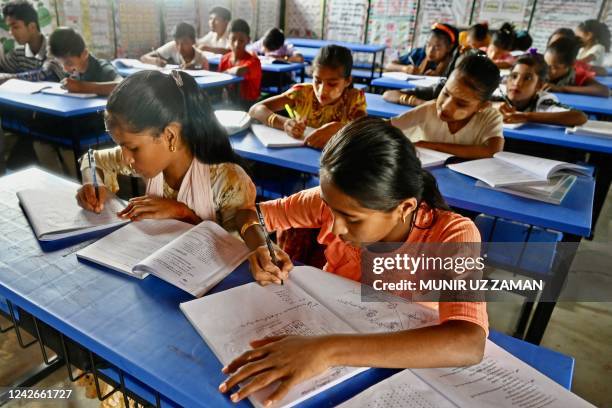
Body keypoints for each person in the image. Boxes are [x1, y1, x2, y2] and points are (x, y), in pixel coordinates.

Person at [222, 117, 487, 406]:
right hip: (328, 327)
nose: (335, 227)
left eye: (352, 219)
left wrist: (328, 350)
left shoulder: (452, 234)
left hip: (401, 362)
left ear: (405, 208)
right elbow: (251, 215)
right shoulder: (336, 201)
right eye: (331, 209)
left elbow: (468, 342)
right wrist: (260, 245)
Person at [248, 45, 366, 149]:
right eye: (317, 81)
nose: (322, 90)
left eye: (332, 84)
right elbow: (255, 109)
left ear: (347, 81)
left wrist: (341, 129)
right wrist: (284, 123)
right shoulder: (303, 93)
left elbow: (366, 130)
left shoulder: (353, 98)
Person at [391, 54, 503, 159]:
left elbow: (493, 151)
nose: (445, 106)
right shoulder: (428, 110)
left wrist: (431, 146)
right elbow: (385, 127)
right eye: (445, 93)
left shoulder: (489, 118)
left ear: (482, 106)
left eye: (461, 104)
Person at [497, 51, 587, 127]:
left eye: (527, 78)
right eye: (514, 76)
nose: (517, 83)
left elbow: (579, 117)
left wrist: (525, 116)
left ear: (539, 86)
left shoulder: (543, 102)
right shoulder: (498, 94)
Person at [48, 26, 121, 96]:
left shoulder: (102, 68)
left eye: (69, 63)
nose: (65, 69)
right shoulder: (70, 72)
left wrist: (82, 87)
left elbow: (122, 86)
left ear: (84, 54)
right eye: (61, 64)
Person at [0, 0, 62, 81]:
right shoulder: (19, 53)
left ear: (32, 27)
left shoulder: (54, 47)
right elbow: (3, 68)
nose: (11, 33)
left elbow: (46, 73)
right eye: (9, 28)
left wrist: (8, 78)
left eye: (15, 27)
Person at [544, 36, 609, 97]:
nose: (546, 70)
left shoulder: (577, 75)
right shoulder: (539, 69)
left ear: (571, 65)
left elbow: (604, 91)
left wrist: (561, 89)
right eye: (545, 64)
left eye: (553, 67)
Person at [218, 18, 262, 107]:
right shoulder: (224, 59)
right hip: (230, 102)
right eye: (233, 39)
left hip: (250, 105)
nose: (237, 44)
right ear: (227, 39)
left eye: (241, 40)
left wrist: (225, 73)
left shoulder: (253, 61)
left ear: (248, 40)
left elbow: (239, 71)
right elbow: (219, 82)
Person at [386, 23, 459, 76]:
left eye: (437, 47)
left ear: (450, 47)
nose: (430, 51)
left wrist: (439, 75)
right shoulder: (419, 53)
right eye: (428, 44)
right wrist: (404, 68)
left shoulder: (454, 62)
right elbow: (389, 65)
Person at [140, 22, 209, 70]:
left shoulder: (201, 58)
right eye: (177, 43)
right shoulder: (173, 45)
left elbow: (207, 77)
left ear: (193, 41)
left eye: (185, 42)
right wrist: (156, 61)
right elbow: (143, 58)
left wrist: (195, 69)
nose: (180, 48)